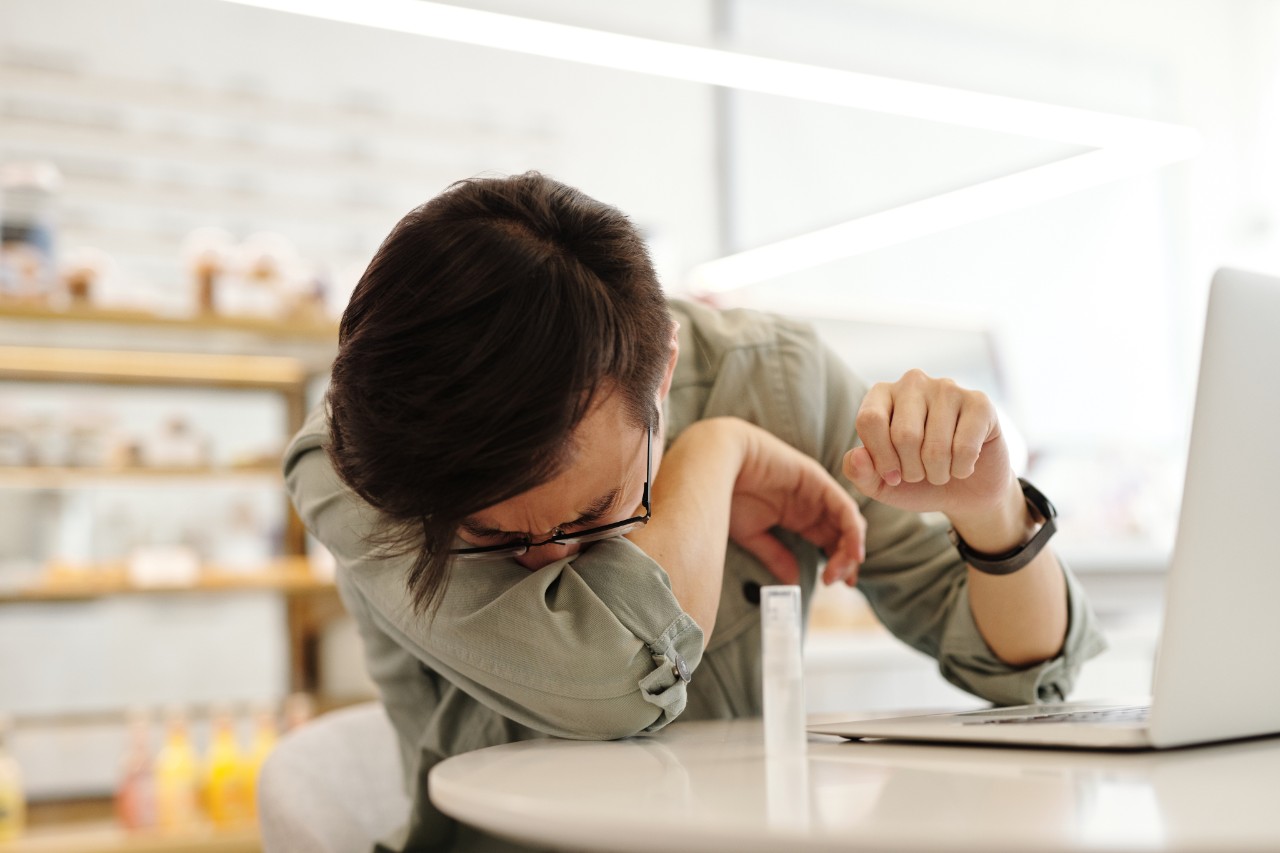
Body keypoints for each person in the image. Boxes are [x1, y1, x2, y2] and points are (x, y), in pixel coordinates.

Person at [284, 172, 1104, 851]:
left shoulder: (777, 380)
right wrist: (716, 457)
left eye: (597, 514)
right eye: (493, 538)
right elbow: (611, 681)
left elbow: (1028, 676)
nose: (546, 559)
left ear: (665, 370)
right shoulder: (353, 464)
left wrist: (989, 505)